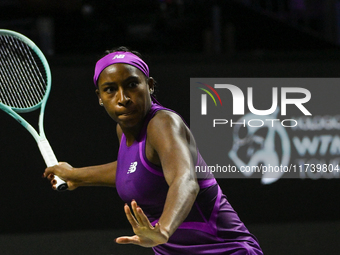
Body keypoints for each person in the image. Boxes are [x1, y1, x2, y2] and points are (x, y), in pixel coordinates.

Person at [43, 46, 263, 255]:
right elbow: (134, 169)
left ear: (149, 85)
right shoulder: (123, 131)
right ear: (100, 97)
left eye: (132, 85)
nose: (123, 99)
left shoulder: (163, 123)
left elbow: (184, 179)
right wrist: (75, 176)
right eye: (110, 90)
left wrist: (163, 231)